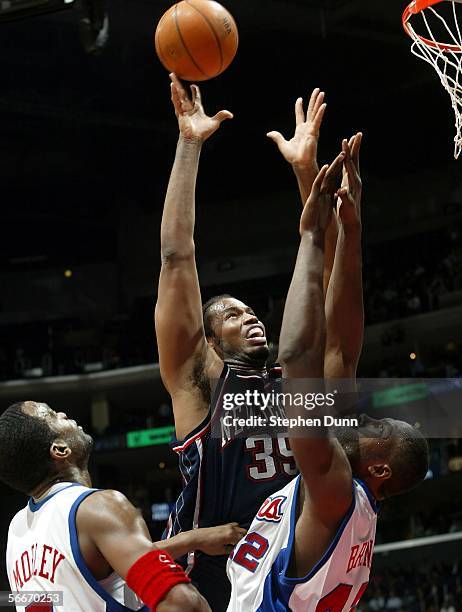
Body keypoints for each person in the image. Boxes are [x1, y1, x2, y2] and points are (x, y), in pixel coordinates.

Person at [226, 143, 430, 611]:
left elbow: (298, 357)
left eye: (375, 429)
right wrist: (351, 230)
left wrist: (312, 238)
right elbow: (341, 347)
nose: (364, 421)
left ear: (379, 468)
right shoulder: (350, 496)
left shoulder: (336, 487)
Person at [0, 401, 245, 612]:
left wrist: (191, 540)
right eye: (52, 416)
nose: (63, 414)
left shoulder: (18, 530)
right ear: (60, 450)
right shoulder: (99, 507)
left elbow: (92, 572)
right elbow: (183, 604)